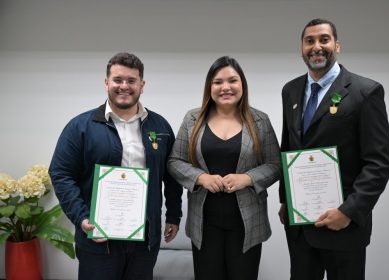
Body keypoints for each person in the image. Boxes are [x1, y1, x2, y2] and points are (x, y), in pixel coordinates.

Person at [49, 52, 183, 280]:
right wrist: (82, 217)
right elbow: (61, 174)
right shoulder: (81, 126)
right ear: (106, 83)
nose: (124, 86)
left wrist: (174, 215)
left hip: (144, 239)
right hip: (98, 238)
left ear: (142, 85)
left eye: (131, 81)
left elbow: (172, 175)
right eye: (117, 80)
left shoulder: (160, 127)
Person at [278, 18, 389, 280]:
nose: (316, 46)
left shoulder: (366, 91)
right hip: (300, 225)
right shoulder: (291, 91)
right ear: (301, 48)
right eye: (310, 41)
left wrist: (349, 212)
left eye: (324, 39)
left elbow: (379, 162)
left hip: (344, 226)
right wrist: (287, 199)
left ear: (337, 46)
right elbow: (289, 147)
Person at [168, 56, 280, 280]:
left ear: (242, 85)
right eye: (218, 82)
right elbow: (174, 161)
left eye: (232, 81)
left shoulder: (260, 121)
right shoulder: (193, 119)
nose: (225, 87)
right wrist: (201, 178)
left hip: (247, 224)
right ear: (210, 86)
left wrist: (247, 178)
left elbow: (275, 165)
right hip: (204, 224)